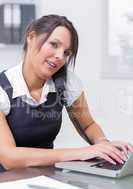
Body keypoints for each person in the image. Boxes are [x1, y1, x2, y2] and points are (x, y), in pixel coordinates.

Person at [0, 14, 132, 170]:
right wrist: (81, 153)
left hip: (45, 177)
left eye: (66, 53)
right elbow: (9, 157)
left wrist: (104, 146)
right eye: (54, 44)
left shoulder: (66, 82)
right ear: (31, 37)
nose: (59, 57)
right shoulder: (3, 88)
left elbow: (88, 125)